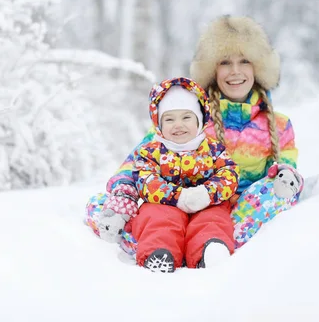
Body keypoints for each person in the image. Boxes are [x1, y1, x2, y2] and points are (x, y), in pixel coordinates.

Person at [85, 15, 303, 257]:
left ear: (259, 66)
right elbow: (137, 163)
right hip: (171, 209)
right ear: (211, 69)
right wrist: (122, 202)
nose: (235, 71)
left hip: (233, 216)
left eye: (244, 61)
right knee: (102, 205)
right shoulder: (187, 117)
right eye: (225, 62)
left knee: (282, 186)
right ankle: (169, 246)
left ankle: (210, 246)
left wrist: (282, 179)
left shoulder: (279, 125)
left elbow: (287, 173)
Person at [96, 77, 239, 273]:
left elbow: (228, 173)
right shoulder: (151, 151)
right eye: (169, 119)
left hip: (206, 202)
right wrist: (176, 197)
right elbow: (145, 179)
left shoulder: (214, 149)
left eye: (186, 117)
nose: (178, 125)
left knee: (213, 220)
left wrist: (207, 192)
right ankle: (160, 253)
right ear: (159, 125)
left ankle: (209, 250)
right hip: (165, 203)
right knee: (157, 219)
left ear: (200, 120)